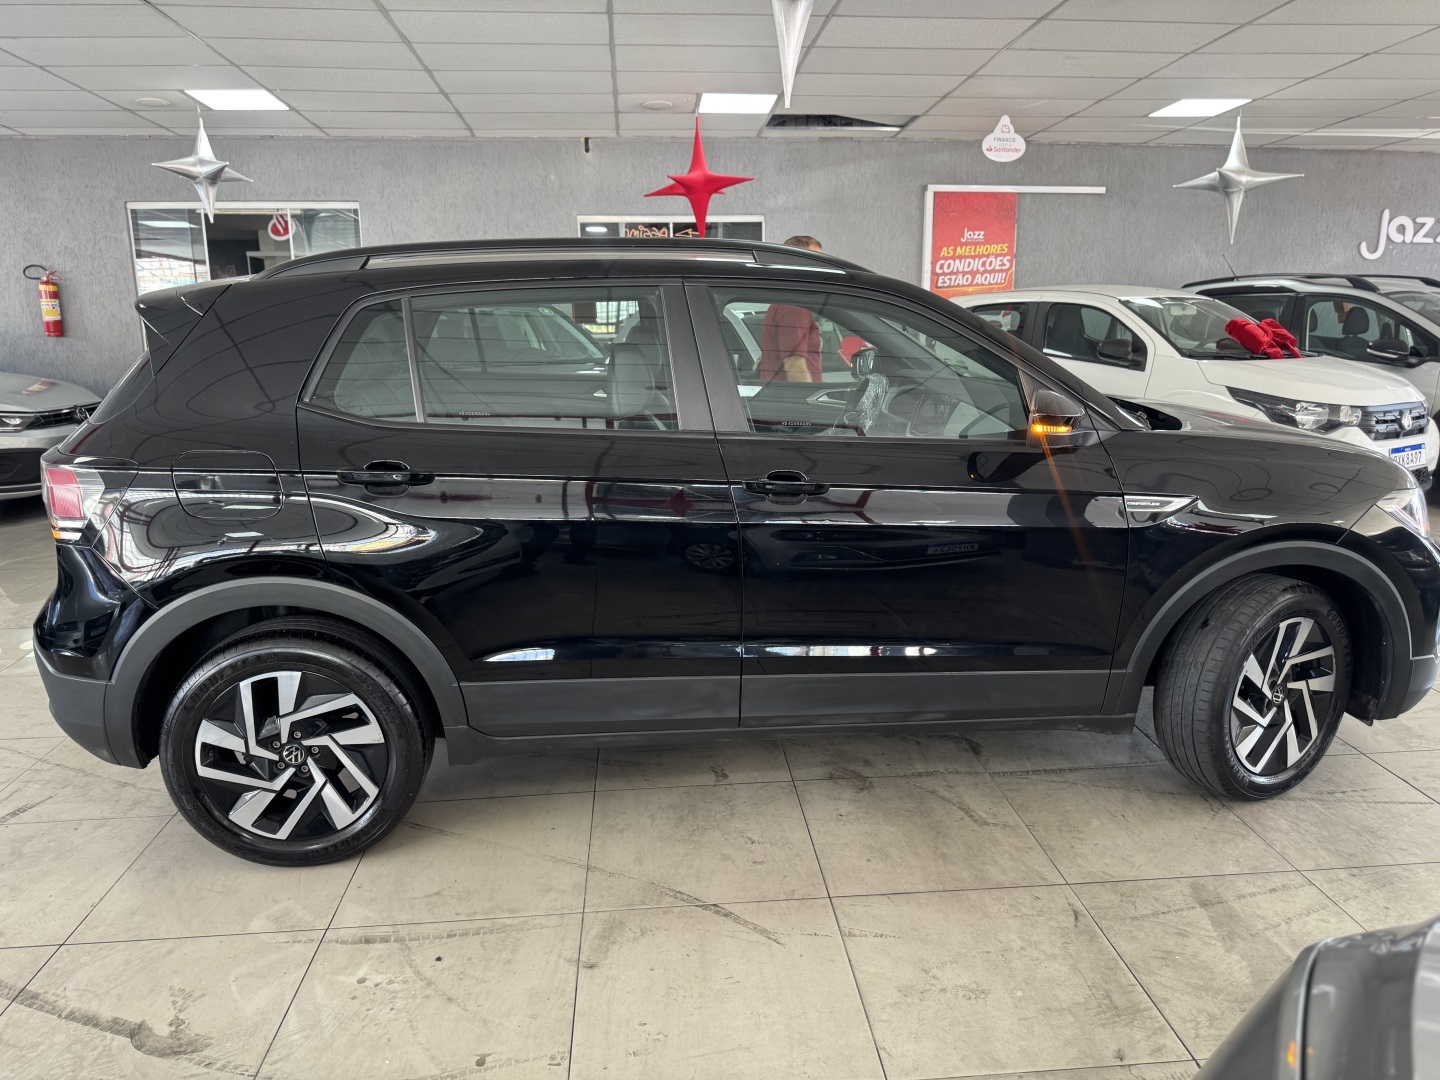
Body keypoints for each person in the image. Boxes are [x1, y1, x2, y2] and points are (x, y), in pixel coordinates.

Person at [759, 236, 824, 382]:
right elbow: (795, 366)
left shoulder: (785, 301)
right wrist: (810, 397)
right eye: (817, 262)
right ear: (798, 264)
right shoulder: (794, 306)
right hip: (794, 396)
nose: (823, 269)